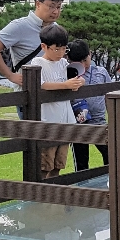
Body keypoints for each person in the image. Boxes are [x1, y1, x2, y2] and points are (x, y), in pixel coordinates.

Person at [0, 0, 65, 88]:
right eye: (51, 6)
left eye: (58, 7)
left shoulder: (56, 28)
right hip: (28, 91)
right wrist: (10, 75)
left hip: (54, 88)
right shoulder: (20, 26)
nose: (56, 11)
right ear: (38, 4)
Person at [32, 24, 83, 179]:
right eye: (56, 49)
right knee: (45, 164)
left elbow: (77, 77)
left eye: (64, 49)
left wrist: (78, 82)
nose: (61, 53)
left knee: (59, 163)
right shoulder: (38, 63)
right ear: (44, 46)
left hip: (65, 120)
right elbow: (41, 85)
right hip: (48, 120)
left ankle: (55, 191)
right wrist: (65, 85)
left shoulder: (63, 63)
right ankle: (42, 191)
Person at [67, 39, 111, 171]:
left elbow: (110, 95)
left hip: (99, 122)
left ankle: (110, 180)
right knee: (81, 162)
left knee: (110, 154)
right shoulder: (67, 75)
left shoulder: (101, 72)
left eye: (85, 60)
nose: (83, 65)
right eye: (78, 63)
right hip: (78, 125)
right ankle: (83, 183)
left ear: (90, 54)